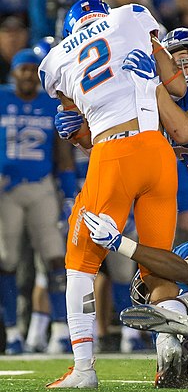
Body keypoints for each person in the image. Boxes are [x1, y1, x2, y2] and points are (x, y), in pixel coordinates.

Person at [39, 0, 187, 389]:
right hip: (157, 152)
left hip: (114, 153)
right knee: (158, 262)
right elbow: (175, 82)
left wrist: (75, 129)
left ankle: (84, 370)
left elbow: (80, 122)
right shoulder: (132, 15)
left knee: (79, 263)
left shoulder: (54, 58)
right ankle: (169, 361)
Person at [83, 210, 188, 388]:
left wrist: (120, 243)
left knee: (174, 314)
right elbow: (171, 381)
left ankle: (170, 314)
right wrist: (178, 370)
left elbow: (186, 271)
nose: (153, 296)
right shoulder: (174, 329)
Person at [0, 48, 74, 354]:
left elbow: (64, 154)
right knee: (7, 261)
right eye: (23, 69)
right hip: (6, 190)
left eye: (33, 69)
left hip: (42, 186)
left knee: (55, 257)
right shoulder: (2, 98)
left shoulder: (49, 103)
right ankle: (12, 331)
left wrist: (68, 194)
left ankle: (59, 330)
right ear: (13, 72)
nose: (28, 74)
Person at [121, 27, 188, 205]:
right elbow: (126, 154)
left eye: (183, 58)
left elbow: (185, 130)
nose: (178, 67)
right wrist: (80, 137)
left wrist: (154, 85)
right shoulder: (168, 104)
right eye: (171, 62)